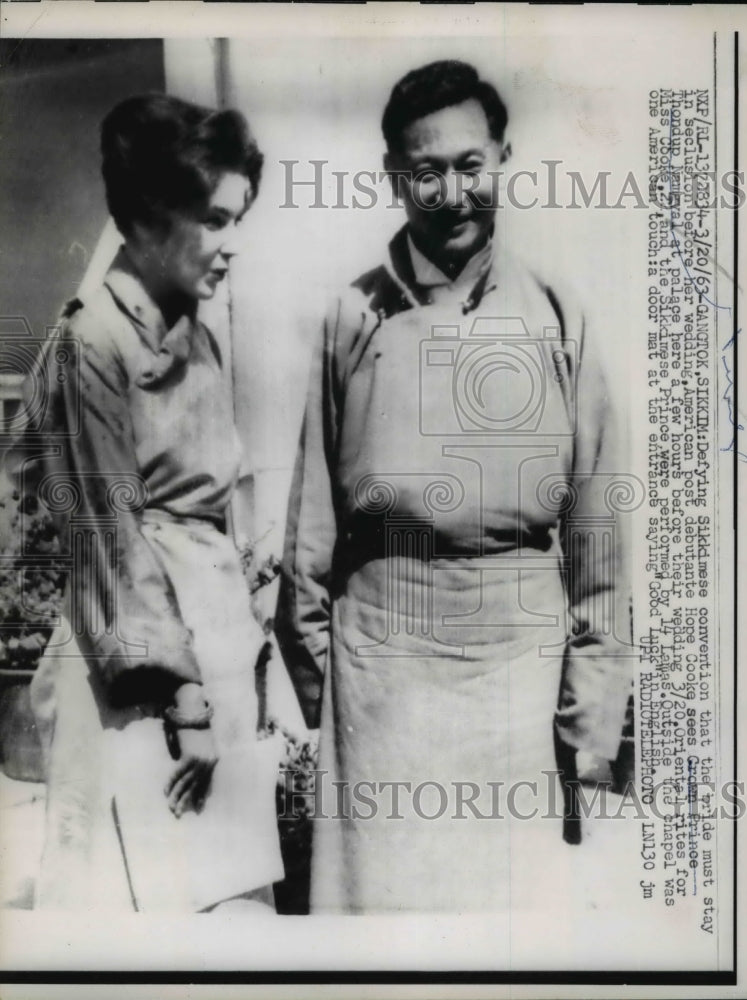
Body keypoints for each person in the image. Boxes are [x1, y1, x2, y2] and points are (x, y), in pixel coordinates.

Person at [275, 60, 633, 912]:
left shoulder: (557, 313)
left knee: (508, 937)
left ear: (504, 158)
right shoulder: (351, 319)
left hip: (519, 689)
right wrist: (345, 700)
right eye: (425, 171)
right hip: (381, 691)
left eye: (470, 165)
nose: (450, 191)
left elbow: (600, 546)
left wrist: (588, 728)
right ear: (396, 177)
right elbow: (308, 540)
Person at [8, 94, 284, 912]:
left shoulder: (194, 329)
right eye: (215, 220)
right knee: (141, 915)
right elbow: (106, 536)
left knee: (225, 911)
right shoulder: (92, 340)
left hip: (211, 664)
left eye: (239, 220)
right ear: (151, 216)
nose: (232, 245)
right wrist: (183, 697)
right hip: (138, 686)